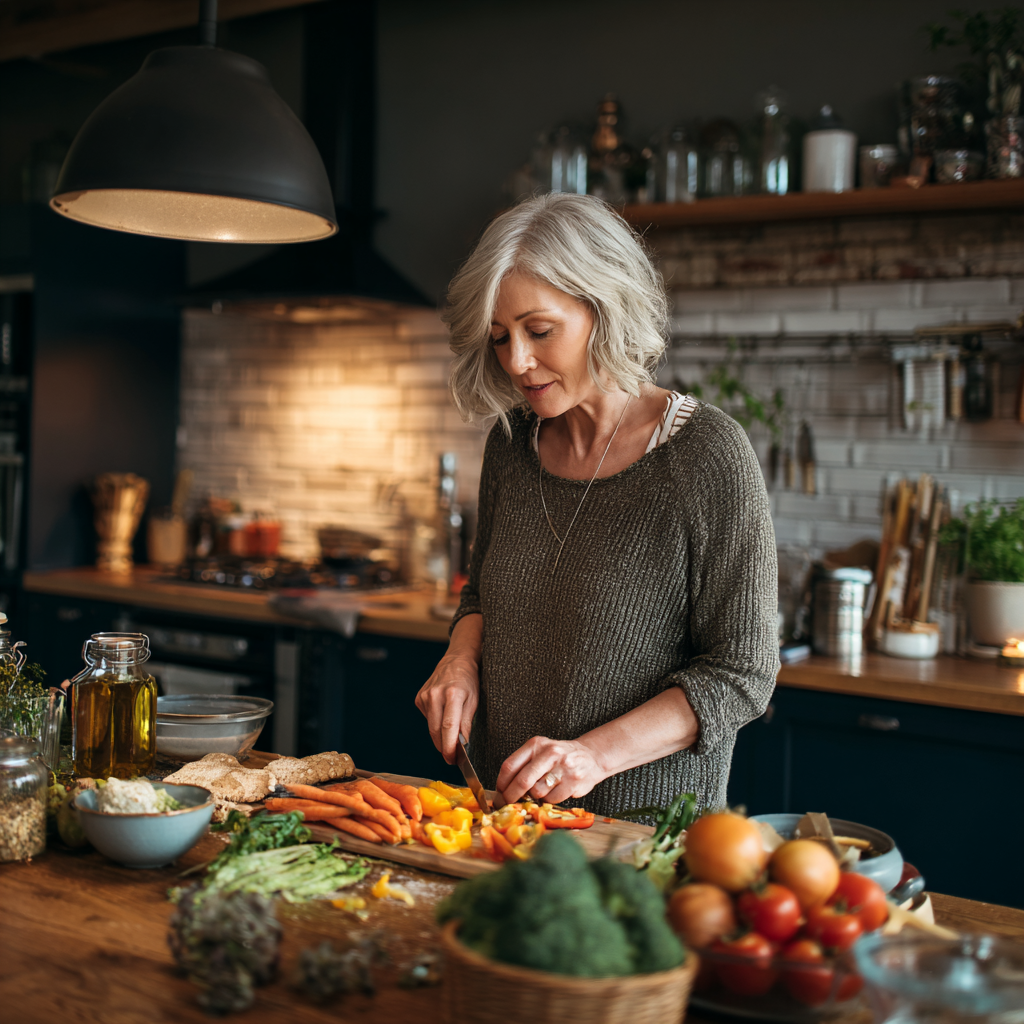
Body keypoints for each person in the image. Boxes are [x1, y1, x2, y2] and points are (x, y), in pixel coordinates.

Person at [415, 192, 779, 817]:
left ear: (604, 307)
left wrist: (592, 756)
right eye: (500, 338)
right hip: (509, 817)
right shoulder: (511, 444)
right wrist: (459, 658)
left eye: (540, 330)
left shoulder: (706, 455)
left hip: (646, 840)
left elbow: (742, 672)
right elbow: (480, 597)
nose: (517, 362)